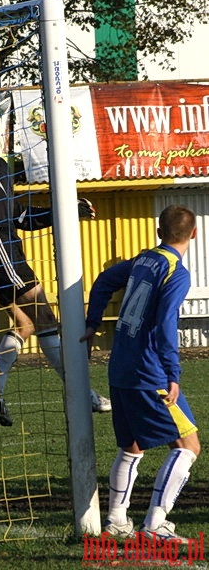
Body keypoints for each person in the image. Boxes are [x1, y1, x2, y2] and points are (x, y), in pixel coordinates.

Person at [0, 39, 111, 427]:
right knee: (45, 317)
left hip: (0, 246)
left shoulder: (1, 166)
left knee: (26, 325)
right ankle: (83, 393)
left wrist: (67, 212)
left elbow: (23, 217)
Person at [80, 204, 200, 542]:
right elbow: (165, 323)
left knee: (132, 446)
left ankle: (117, 520)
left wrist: (92, 323)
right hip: (149, 371)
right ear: (193, 233)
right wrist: (172, 372)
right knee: (188, 445)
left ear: (159, 232)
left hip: (120, 366)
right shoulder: (177, 271)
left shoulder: (144, 259)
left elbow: (103, 281)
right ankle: (155, 523)